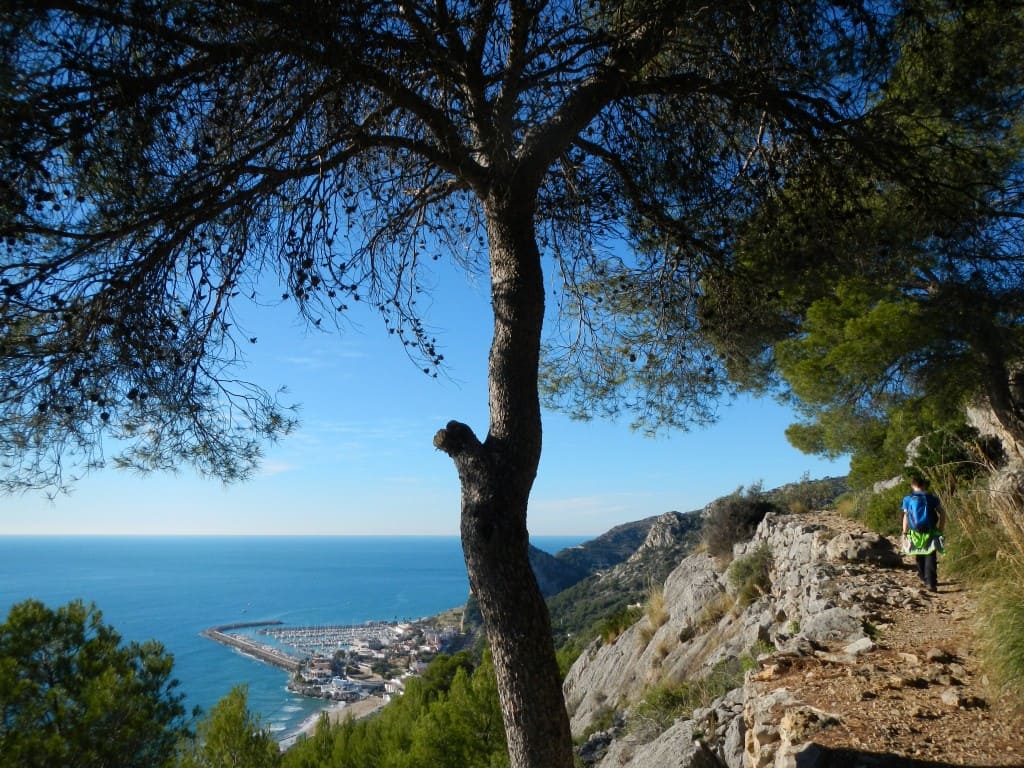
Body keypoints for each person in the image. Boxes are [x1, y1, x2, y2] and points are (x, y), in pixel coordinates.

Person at [901, 477, 945, 592]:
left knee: (919, 555)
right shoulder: (932, 498)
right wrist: (940, 529)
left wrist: (905, 533)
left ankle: (923, 578)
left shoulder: (908, 499)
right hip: (930, 530)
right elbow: (942, 513)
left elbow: (906, 516)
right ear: (924, 486)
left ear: (912, 485)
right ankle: (931, 583)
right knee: (930, 554)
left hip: (915, 532)